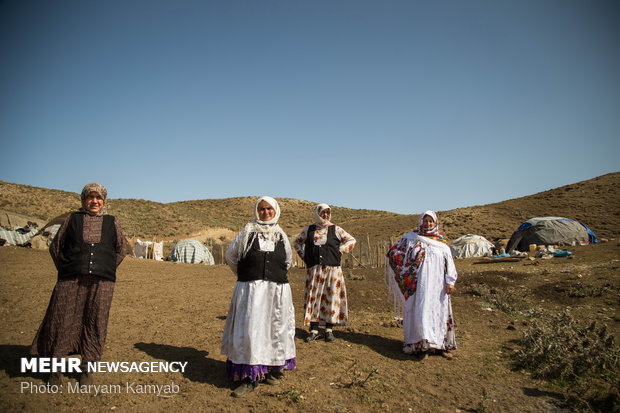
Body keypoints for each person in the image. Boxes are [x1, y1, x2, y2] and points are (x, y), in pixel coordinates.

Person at [31, 183, 128, 385]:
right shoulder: (72, 219)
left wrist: (105, 268)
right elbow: (55, 247)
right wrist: (67, 268)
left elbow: (121, 250)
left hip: (101, 284)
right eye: (90, 197)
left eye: (98, 198)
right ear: (84, 200)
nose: (94, 201)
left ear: (104, 200)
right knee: (62, 320)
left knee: (95, 322)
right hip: (70, 281)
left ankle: (86, 370)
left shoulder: (112, 222)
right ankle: (54, 371)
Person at [221, 196, 296, 398]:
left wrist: (272, 278)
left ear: (276, 211)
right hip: (251, 292)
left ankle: (270, 368)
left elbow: (287, 261)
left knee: (274, 330)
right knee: (251, 331)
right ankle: (249, 377)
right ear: (257, 211)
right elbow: (230, 256)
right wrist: (245, 276)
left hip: (276, 292)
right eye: (262, 209)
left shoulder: (280, 235)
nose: (266, 213)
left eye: (269, 209)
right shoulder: (246, 232)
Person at [386, 210, 457, 359]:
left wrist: (450, 281)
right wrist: (407, 270)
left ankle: (440, 346)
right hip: (420, 286)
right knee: (422, 312)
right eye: (425, 221)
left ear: (435, 223)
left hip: (439, 286)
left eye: (431, 221)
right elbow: (393, 252)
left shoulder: (441, 243)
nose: (428, 224)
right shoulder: (411, 238)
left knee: (439, 313)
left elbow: (449, 262)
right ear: (420, 222)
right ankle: (422, 346)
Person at [294, 204, 356, 343]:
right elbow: (297, 243)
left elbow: (352, 240)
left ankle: (329, 330)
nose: (325, 215)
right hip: (314, 271)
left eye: (328, 213)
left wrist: (341, 249)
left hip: (333, 271)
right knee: (314, 298)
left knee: (331, 297)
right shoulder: (308, 230)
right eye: (323, 213)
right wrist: (304, 256)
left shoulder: (336, 229)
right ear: (317, 214)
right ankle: (314, 329)